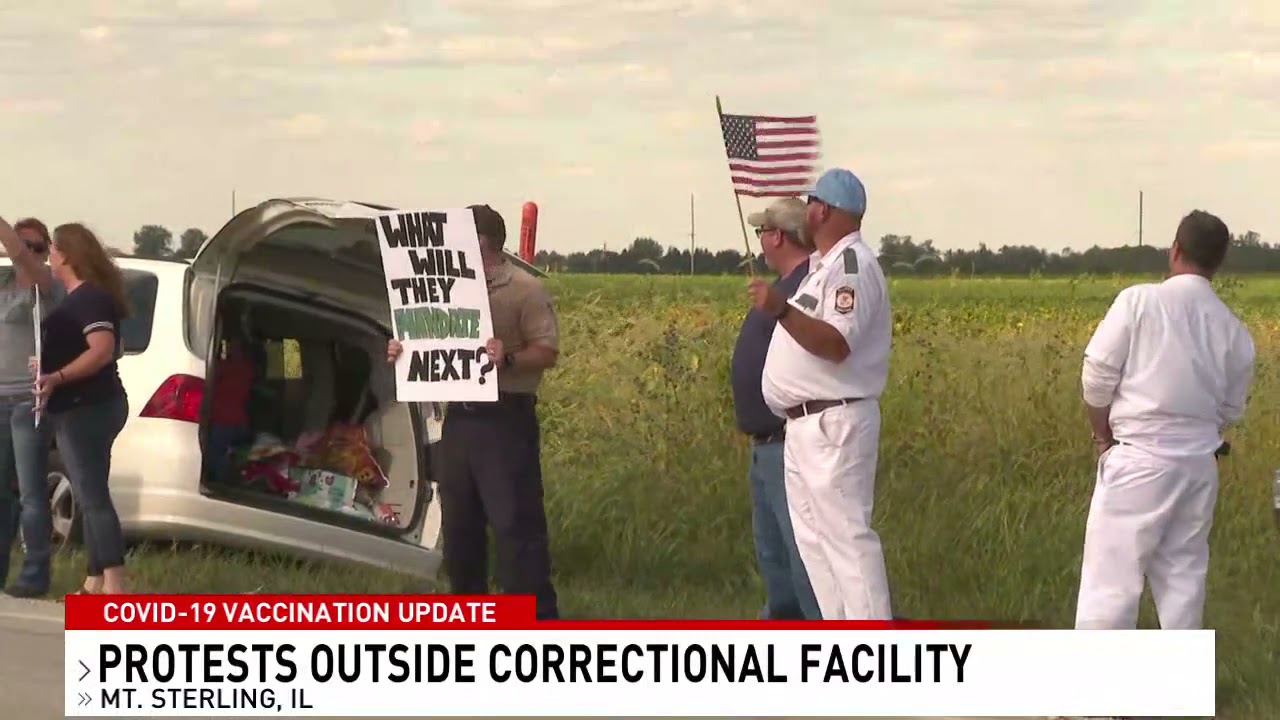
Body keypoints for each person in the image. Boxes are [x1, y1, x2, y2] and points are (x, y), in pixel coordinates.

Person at [1074, 210, 1255, 630]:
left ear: (1175, 250)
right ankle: (1181, 690)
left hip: (1137, 459)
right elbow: (1230, 411)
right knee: (1184, 579)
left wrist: (1102, 436)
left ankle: (1099, 687)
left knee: (1111, 582)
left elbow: (1097, 377)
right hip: (1197, 466)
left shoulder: (1138, 302)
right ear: (1218, 261)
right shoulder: (1234, 329)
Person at [387, 204, 561, 618]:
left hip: (506, 420)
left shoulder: (524, 289)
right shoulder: (444, 289)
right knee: (460, 528)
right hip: (460, 422)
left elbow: (548, 351)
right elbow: (428, 343)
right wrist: (401, 351)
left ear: (483, 241)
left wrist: (510, 359)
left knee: (514, 525)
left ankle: (535, 621)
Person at [752, 168, 894, 621]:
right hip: (803, 426)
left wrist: (781, 312)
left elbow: (836, 343)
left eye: (810, 201)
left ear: (824, 209)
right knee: (815, 546)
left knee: (847, 542)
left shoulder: (852, 267)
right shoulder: (822, 269)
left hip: (834, 421)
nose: (806, 209)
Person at [730, 197, 821, 620]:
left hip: (789, 440)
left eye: (761, 232)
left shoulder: (807, 286)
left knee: (800, 549)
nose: (760, 242)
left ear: (777, 235)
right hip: (765, 441)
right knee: (774, 551)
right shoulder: (783, 287)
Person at [33, 223, 132, 595]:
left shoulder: (89, 299)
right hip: (86, 405)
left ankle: (116, 583)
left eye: (53, 248)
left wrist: (57, 376)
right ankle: (95, 578)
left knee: (92, 497)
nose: (50, 255)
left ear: (67, 255)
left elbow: (102, 349)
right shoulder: (79, 298)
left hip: (85, 408)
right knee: (91, 491)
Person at [0, 216, 60, 598]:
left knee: (30, 492)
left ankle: (36, 572)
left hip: (29, 400)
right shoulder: (3, 285)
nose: (28, 253)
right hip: (0, 397)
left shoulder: (46, 287)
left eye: (38, 247)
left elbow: (23, 258)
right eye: (25, 245)